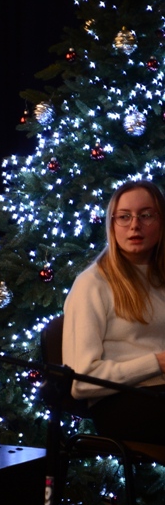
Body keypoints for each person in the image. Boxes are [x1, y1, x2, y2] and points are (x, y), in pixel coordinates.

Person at [63, 179, 165, 443]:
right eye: (124, 216)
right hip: (120, 404)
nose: (135, 225)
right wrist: (156, 363)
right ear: (112, 224)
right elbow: (81, 381)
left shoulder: (159, 275)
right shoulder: (92, 284)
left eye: (146, 215)